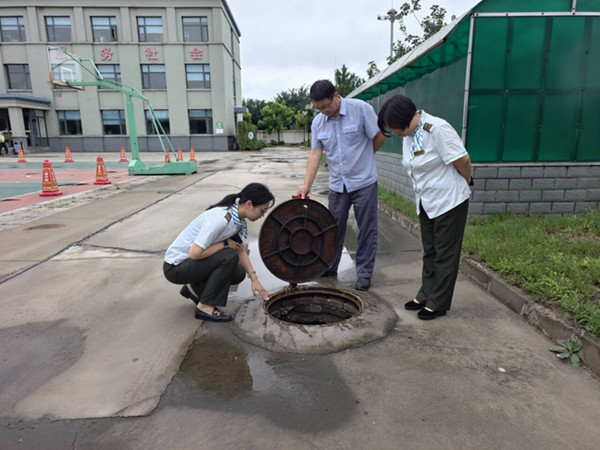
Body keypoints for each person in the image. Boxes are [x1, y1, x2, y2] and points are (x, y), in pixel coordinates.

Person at [378, 95, 472, 320]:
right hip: (427, 202)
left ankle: (438, 302)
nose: (394, 133)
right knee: (430, 251)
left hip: (449, 200)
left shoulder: (437, 128)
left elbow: (463, 160)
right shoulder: (409, 135)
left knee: (445, 253)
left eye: (394, 127)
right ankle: (426, 294)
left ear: (403, 120)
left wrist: (467, 180)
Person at [297, 80, 387, 291]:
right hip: (338, 185)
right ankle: (330, 266)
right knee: (333, 228)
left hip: (364, 182)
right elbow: (315, 153)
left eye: (326, 106)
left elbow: (379, 135)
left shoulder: (361, 109)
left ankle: (364, 273)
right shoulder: (318, 122)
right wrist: (306, 185)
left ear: (336, 96)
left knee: (366, 229)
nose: (323, 111)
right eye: (318, 108)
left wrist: (366, 157)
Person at [163, 183, 275, 322]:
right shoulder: (220, 220)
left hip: (191, 264)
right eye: (262, 210)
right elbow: (194, 253)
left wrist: (254, 279)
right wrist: (225, 244)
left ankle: (193, 289)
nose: (262, 215)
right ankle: (205, 307)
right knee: (228, 256)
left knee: (238, 273)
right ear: (249, 204)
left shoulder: (236, 220)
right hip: (175, 268)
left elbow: (240, 250)